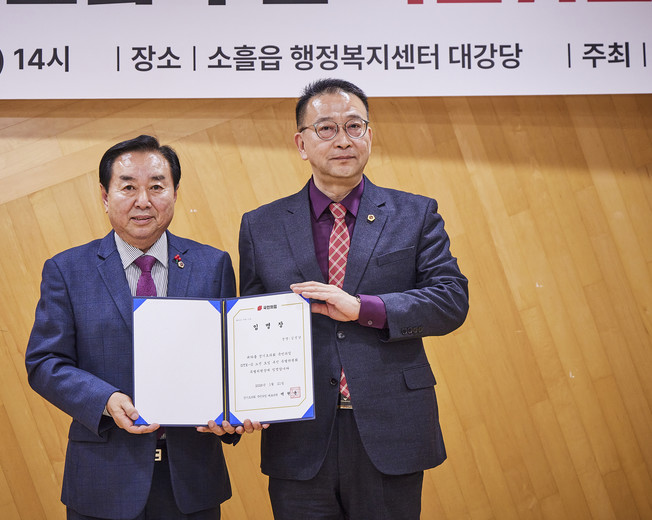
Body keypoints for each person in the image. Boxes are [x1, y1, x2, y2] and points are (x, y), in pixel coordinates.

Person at [238, 79, 469, 519]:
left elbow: (451, 299)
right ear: (301, 143)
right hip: (299, 436)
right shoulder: (260, 226)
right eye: (326, 128)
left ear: (369, 135)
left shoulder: (415, 214)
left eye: (354, 126)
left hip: (390, 428)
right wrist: (243, 402)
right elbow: (249, 326)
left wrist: (365, 309)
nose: (343, 140)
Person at [26, 135, 259, 520]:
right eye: (128, 187)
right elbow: (45, 362)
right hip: (103, 479)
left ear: (175, 193)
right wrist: (105, 399)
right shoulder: (67, 270)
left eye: (156, 186)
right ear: (105, 196)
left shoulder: (212, 265)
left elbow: (228, 360)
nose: (143, 201)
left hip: (191, 481)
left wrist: (233, 414)